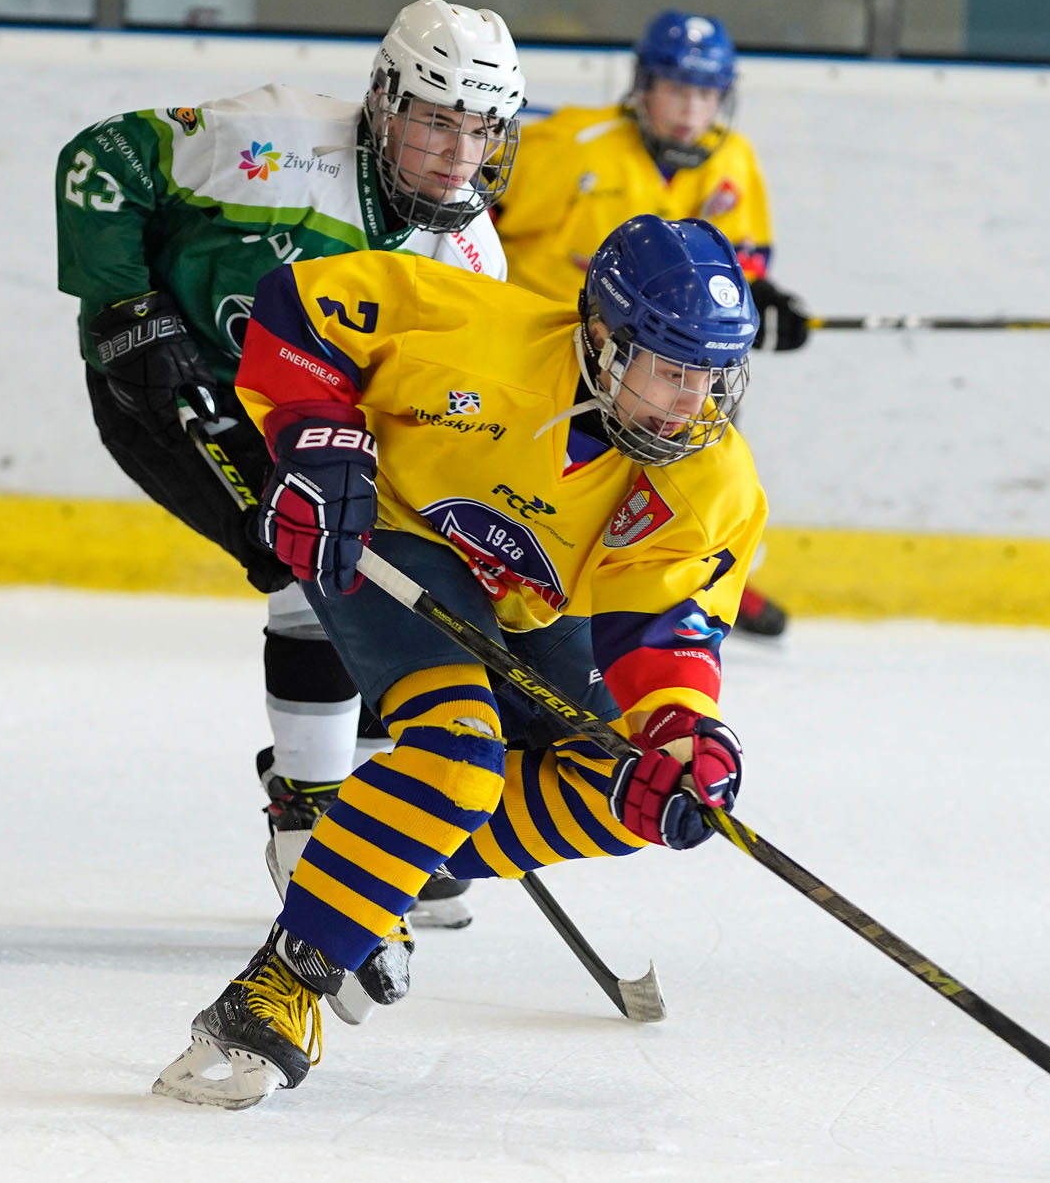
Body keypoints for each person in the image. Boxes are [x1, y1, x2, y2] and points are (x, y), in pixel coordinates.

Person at [153, 213, 764, 1109]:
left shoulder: (711, 481)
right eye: (672, 370)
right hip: (390, 537)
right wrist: (316, 437)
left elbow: (659, 633)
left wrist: (681, 732)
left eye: (713, 377)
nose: (693, 402)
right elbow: (301, 308)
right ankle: (279, 987)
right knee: (456, 756)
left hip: (540, 606)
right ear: (603, 339)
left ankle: (381, 858)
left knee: (634, 792)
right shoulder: (476, 335)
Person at [54, 0, 523, 970]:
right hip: (172, 384)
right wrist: (124, 305)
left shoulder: (469, 257)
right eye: (438, 120)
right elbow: (101, 161)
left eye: (482, 129)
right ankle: (308, 808)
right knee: (307, 561)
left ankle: (361, 790)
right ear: (384, 102)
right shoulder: (273, 143)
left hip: (314, 424)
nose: (459, 154)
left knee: (378, 562)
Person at [493, 9, 805, 637]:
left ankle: (701, 569)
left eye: (707, 93)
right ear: (644, 86)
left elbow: (735, 270)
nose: (692, 109)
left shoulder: (732, 159)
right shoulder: (572, 146)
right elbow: (474, 223)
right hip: (551, 353)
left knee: (704, 422)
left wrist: (764, 297)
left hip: (657, 361)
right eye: (678, 89)